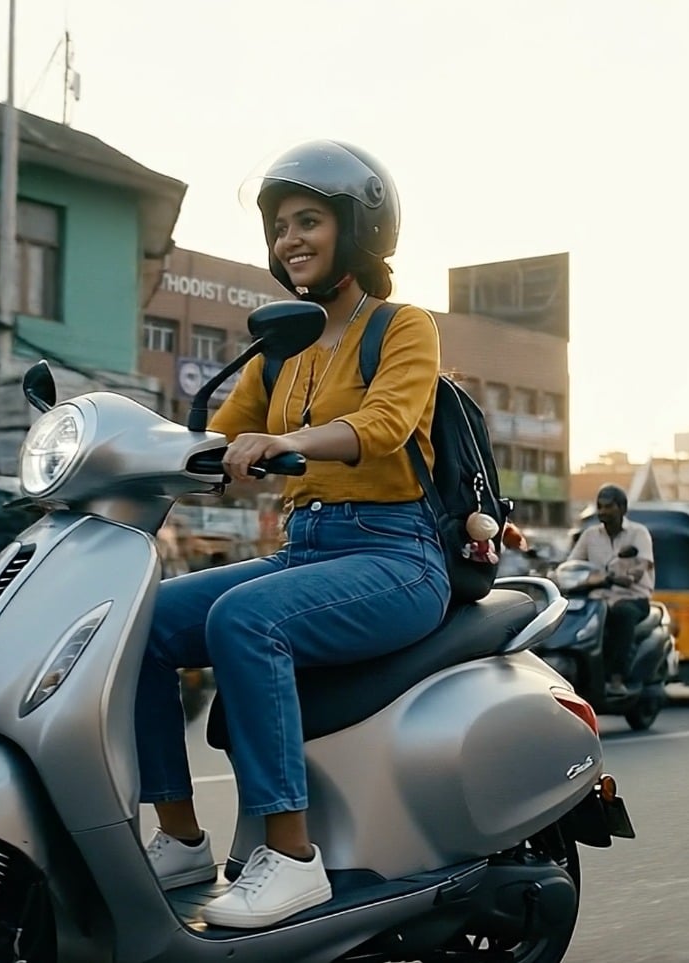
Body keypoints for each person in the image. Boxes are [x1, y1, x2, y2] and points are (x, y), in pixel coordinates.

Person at [133, 140, 449, 929]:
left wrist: (290, 441)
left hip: (398, 555)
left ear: (357, 228)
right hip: (306, 550)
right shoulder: (280, 353)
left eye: (308, 221)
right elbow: (207, 440)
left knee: (246, 620)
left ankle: (291, 857)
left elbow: (385, 423)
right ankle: (180, 837)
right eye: (279, 227)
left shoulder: (402, 327)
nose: (290, 239)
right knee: (145, 620)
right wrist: (118, 454)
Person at [567, 484, 655, 696]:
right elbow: (572, 563)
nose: (603, 511)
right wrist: (559, 573)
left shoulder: (638, 533)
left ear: (622, 509)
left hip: (633, 597)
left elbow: (643, 564)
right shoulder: (590, 535)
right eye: (600, 506)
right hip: (598, 598)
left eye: (608, 506)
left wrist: (631, 576)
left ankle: (617, 677)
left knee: (622, 614)